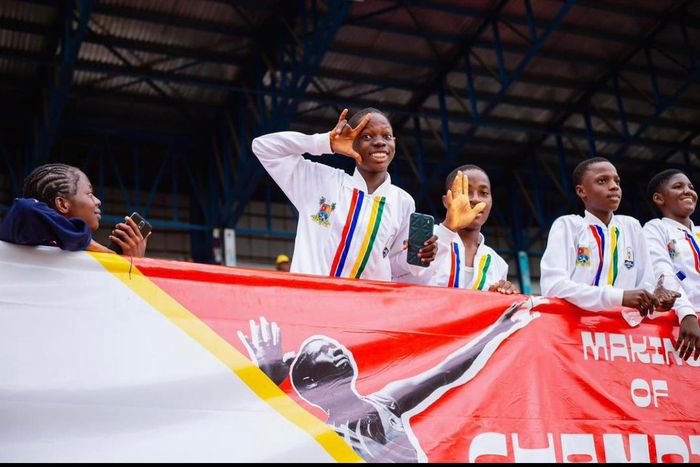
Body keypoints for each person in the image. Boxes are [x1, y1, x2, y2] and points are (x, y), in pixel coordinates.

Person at [238, 298, 545, 463]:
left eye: (335, 346)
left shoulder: (386, 402)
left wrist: (495, 331)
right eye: (326, 352)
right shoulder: (320, 437)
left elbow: (445, 372)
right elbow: (252, 440)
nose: (338, 350)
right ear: (314, 385)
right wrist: (268, 381)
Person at [251, 108, 437, 281]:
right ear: (352, 144)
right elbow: (264, 147)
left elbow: (394, 266)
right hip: (309, 299)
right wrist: (325, 142)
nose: (380, 142)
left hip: (363, 304)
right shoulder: (319, 180)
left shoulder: (403, 202)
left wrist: (420, 255)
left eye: (387, 136)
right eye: (367, 136)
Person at [540, 157, 679, 325]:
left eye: (617, 181)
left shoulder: (632, 227)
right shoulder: (568, 226)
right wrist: (618, 297)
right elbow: (553, 286)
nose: (614, 186)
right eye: (602, 181)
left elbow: (646, 284)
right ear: (582, 191)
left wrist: (655, 301)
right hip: (574, 329)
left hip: (621, 332)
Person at [0, 163, 149, 256]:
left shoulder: (84, 254)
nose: (98, 201)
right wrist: (90, 244)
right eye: (89, 194)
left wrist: (133, 263)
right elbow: (26, 209)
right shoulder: (26, 235)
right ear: (62, 204)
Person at [422, 166, 516, 293]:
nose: (476, 199)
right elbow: (408, 278)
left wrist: (500, 295)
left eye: (484, 193)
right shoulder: (427, 237)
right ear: (446, 201)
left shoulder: (498, 263)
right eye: (465, 191)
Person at [643, 169, 700, 360]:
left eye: (690, 187)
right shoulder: (656, 228)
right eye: (678, 186)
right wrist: (687, 314)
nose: (688, 191)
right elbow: (662, 271)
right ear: (659, 198)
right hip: (684, 324)